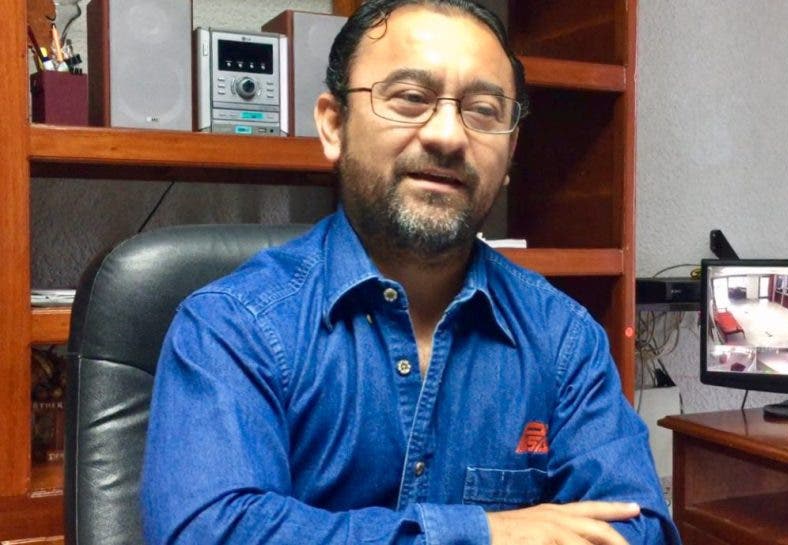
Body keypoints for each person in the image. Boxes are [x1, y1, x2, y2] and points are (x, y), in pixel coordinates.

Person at [141, 1, 681, 544]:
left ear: (511, 151)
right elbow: (211, 533)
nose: (447, 135)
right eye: (410, 98)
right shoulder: (232, 328)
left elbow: (639, 527)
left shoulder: (562, 338)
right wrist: (483, 535)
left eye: (483, 110)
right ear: (333, 126)